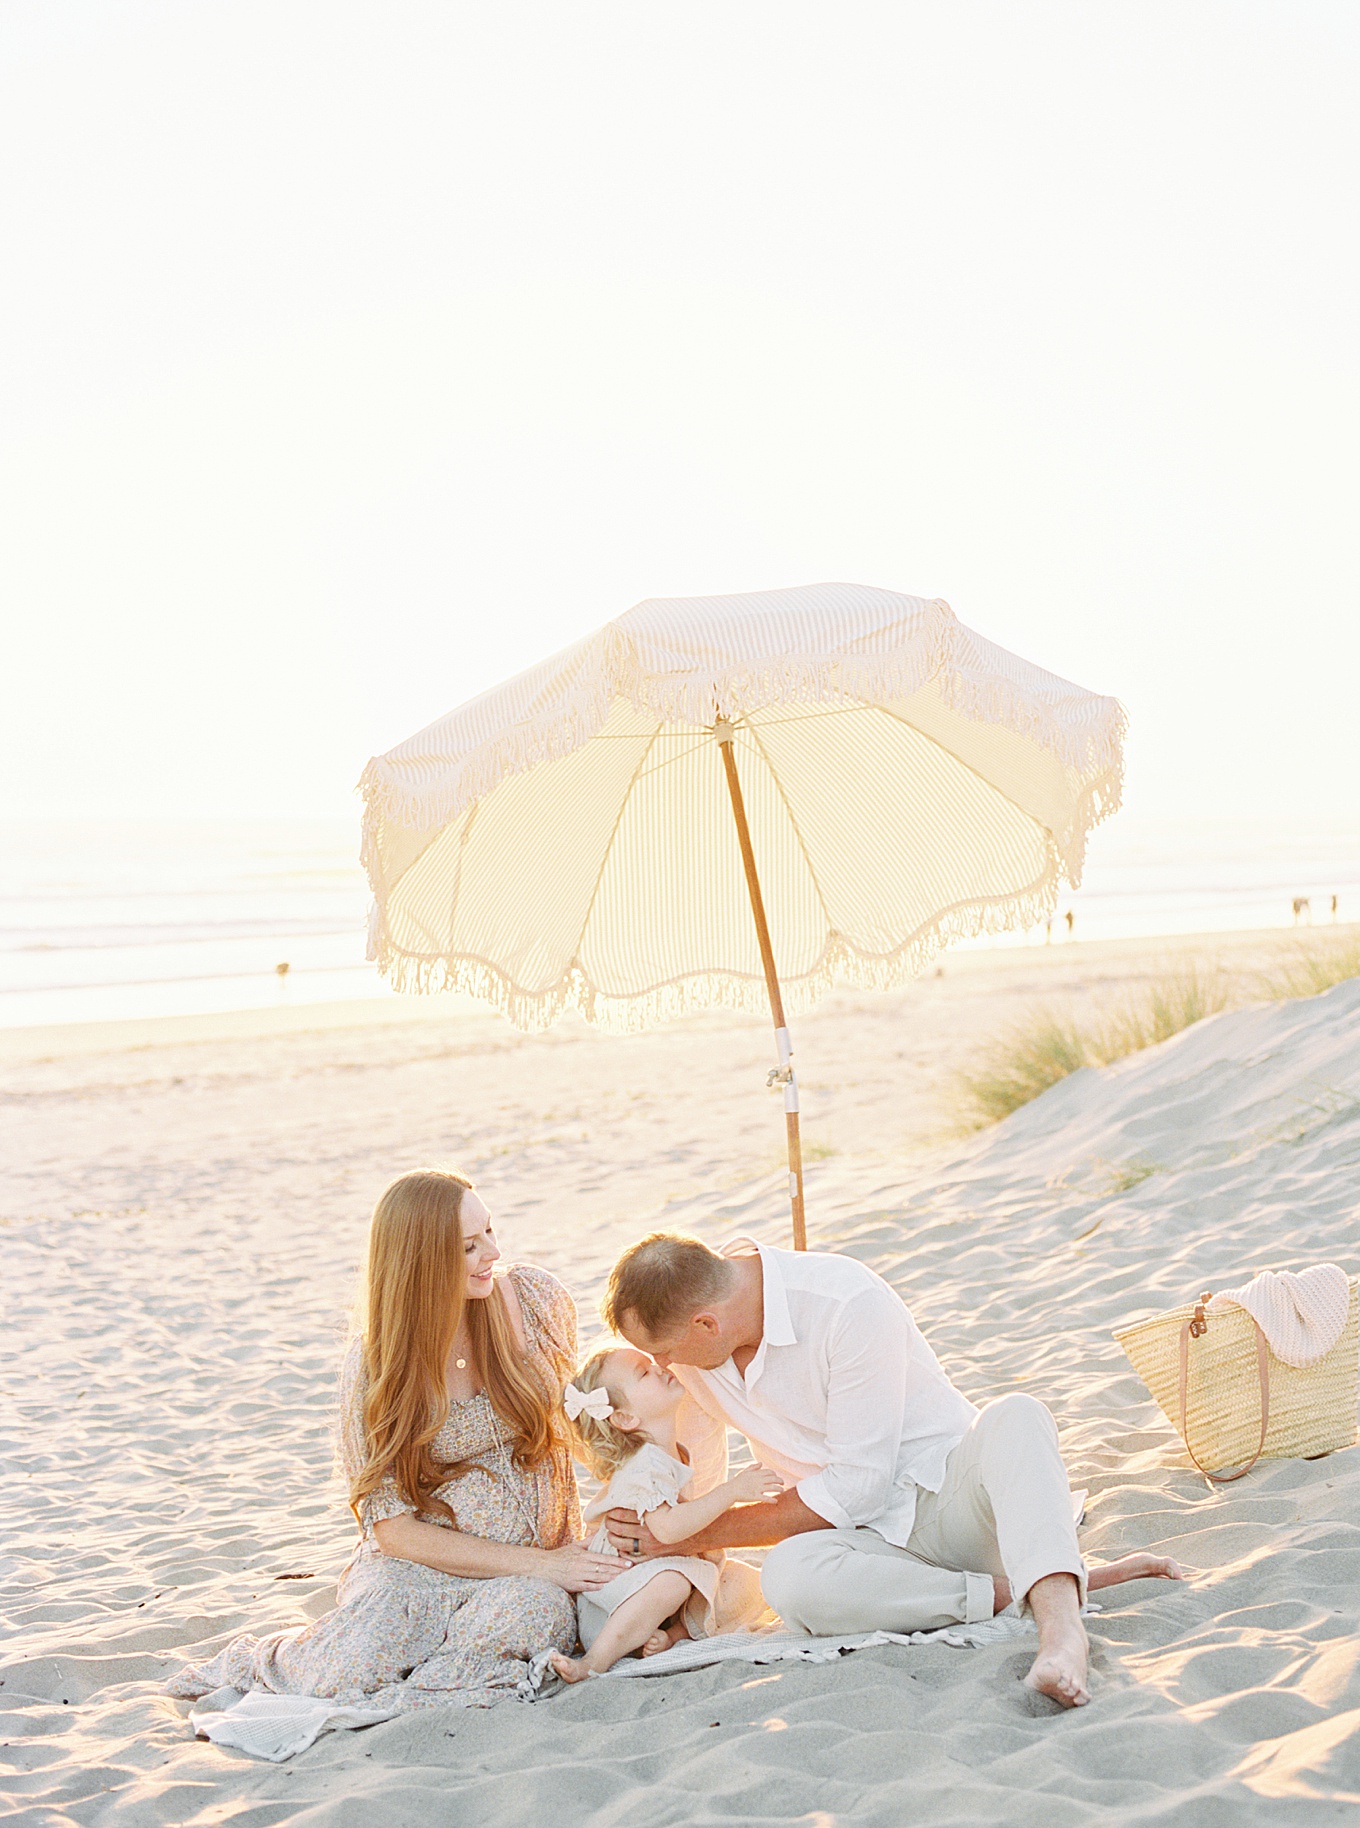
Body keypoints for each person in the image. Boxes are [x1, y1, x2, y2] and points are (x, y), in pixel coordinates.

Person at [601, 1233, 1184, 1709]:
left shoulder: (845, 1302)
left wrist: (696, 1533)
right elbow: (693, 1477)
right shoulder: (699, 1353)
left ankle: (1061, 1635)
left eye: (665, 1351)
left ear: (707, 1324)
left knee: (1018, 1416)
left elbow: (860, 1486)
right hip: (862, 1550)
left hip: (950, 1500)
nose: (663, 1367)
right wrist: (657, 1544)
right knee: (787, 1579)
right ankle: (1015, 1592)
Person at [165, 1170, 623, 1711]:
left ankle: (433, 1679)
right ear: (421, 1260)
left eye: (491, 1232)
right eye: (469, 1246)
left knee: (532, 1614)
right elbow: (393, 1530)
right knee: (361, 1654)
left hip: (531, 1571)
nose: (493, 1253)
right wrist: (546, 1565)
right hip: (417, 1567)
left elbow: (588, 1424)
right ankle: (262, 1661)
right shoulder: (377, 1364)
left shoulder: (534, 1300)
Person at [547, 1345, 777, 1682]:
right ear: (625, 1418)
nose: (658, 1368)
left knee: (743, 1582)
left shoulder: (666, 1453)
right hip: (616, 1598)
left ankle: (672, 1635)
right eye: (643, 1372)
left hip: (654, 1579)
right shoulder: (645, 1466)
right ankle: (593, 1662)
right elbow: (666, 1531)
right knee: (674, 1583)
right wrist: (731, 1491)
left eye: (652, 1363)